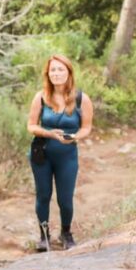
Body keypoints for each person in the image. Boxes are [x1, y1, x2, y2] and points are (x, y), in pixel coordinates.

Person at [26, 54, 94, 251]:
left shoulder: (82, 99)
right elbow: (31, 125)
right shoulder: (40, 97)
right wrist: (49, 133)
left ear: (69, 72)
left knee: (65, 198)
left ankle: (66, 233)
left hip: (67, 156)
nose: (56, 73)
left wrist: (74, 137)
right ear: (48, 73)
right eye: (53, 70)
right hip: (42, 153)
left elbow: (86, 128)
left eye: (60, 69)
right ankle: (43, 236)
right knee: (43, 195)